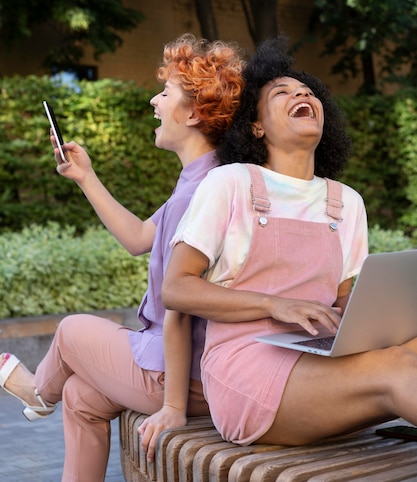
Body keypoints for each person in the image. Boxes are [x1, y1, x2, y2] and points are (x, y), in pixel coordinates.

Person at [0, 34, 246, 481]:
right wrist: (86, 176)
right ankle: (51, 397)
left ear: (193, 113)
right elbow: (138, 237)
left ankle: (37, 392)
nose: (154, 100)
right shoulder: (204, 181)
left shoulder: (202, 191)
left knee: (72, 330)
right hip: (186, 372)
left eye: (166, 92)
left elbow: (181, 305)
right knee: (79, 395)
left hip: (179, 377)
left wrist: (172, 405)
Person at [162, 33, 417, 448]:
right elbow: (175, 288)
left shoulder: (347, 202)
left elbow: (343, 300)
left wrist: (376, 317)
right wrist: (272, 304)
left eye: (306, 91)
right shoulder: (230, 182)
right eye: (282, 92)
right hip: (247, 371)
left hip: (323, 363)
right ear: (257, 125)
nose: (302, 94)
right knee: (394, 367)